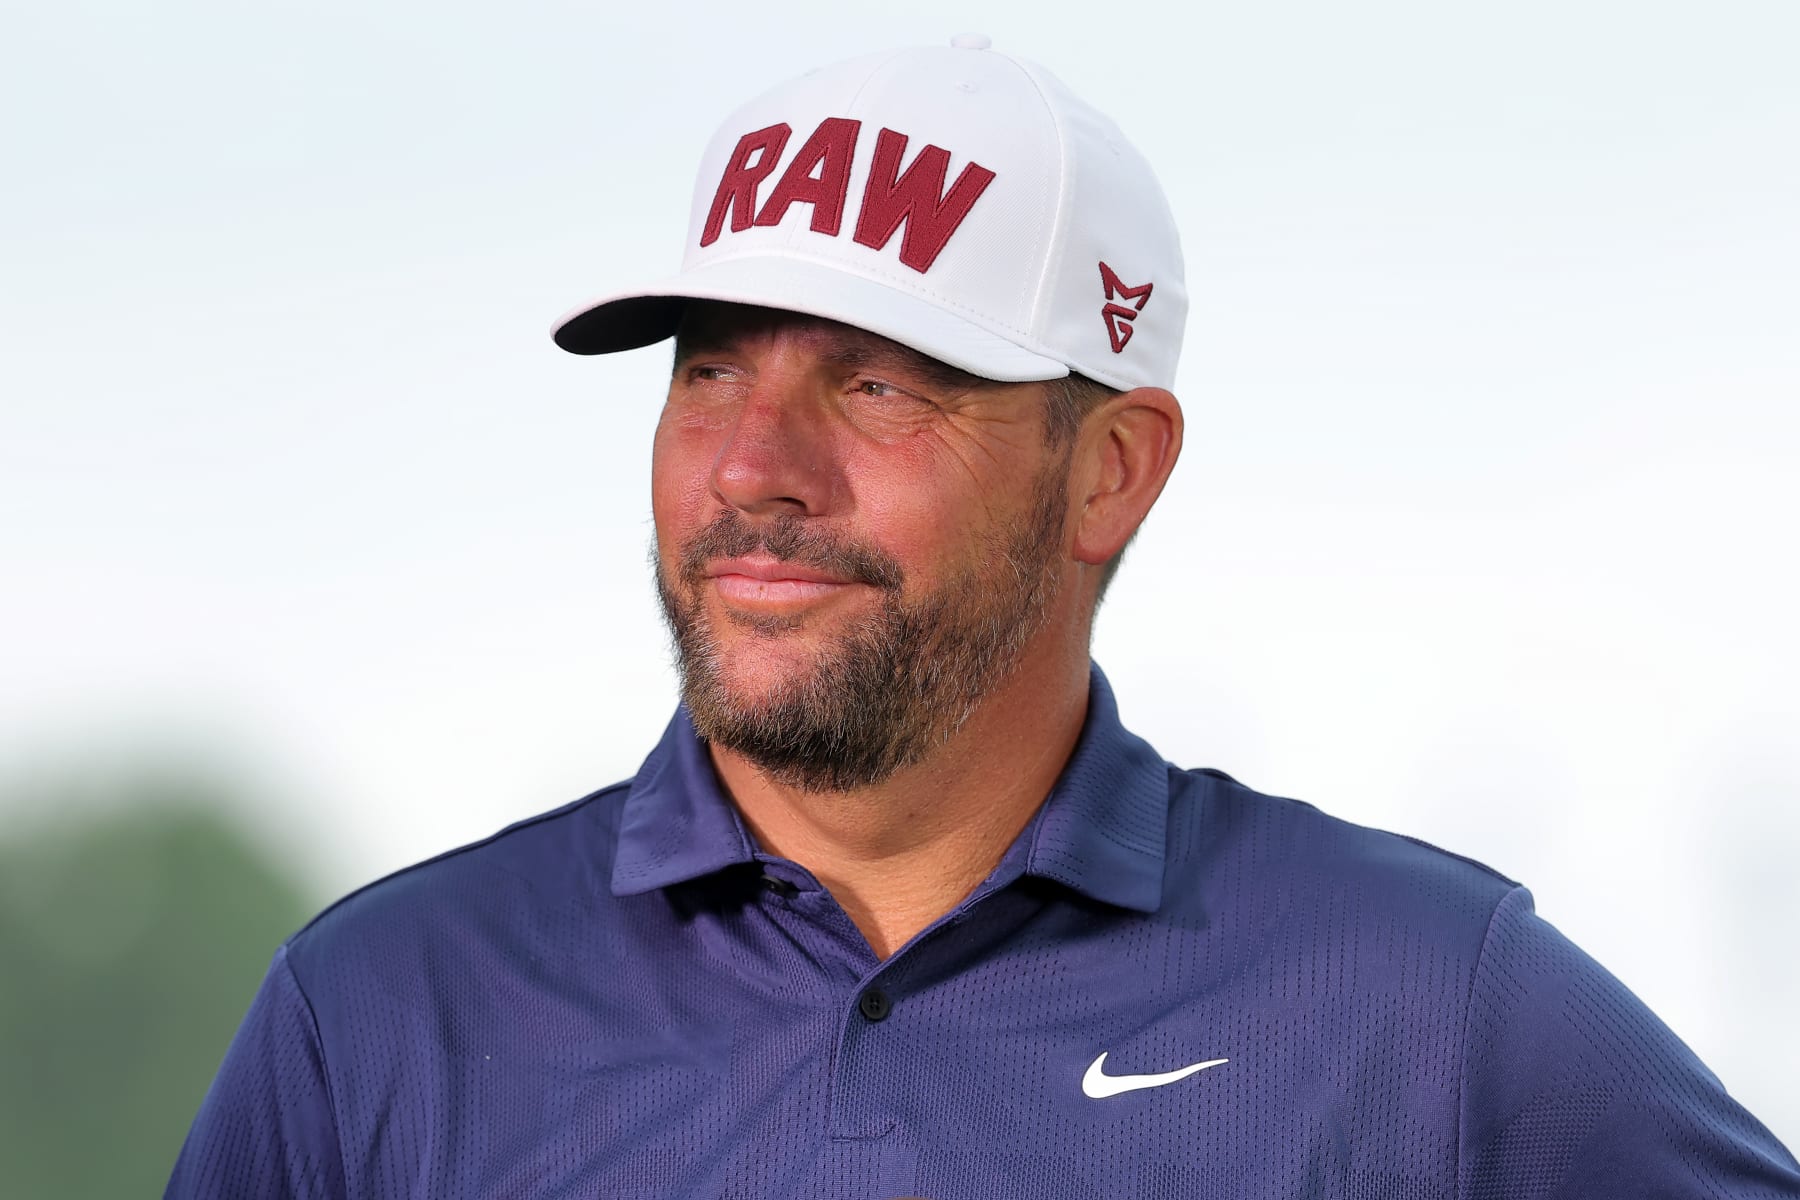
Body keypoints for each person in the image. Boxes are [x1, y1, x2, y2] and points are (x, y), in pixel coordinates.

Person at [166, 37, 1799, 1199]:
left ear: (1108, 471)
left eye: (876, 383)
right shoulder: (376, 1018)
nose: (752, 468)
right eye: (710, 368)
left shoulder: (1428, 1006)